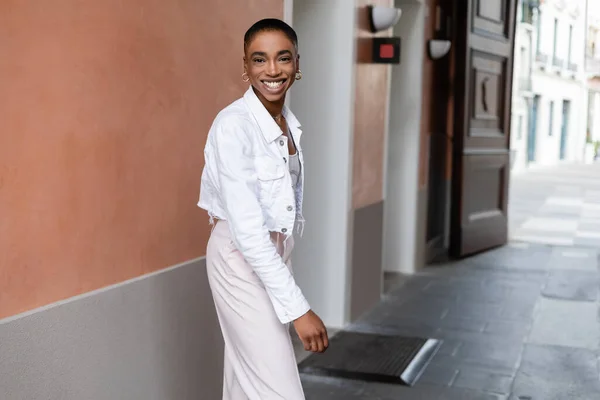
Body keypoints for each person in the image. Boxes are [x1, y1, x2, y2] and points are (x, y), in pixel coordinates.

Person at [198, 18, 329, 400]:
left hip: (271, 255)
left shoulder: (289, 124)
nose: (272, 71)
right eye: (260, 60)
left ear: (297, 63)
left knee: (246, 381)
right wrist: (299, 310)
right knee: (279, 389)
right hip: (239, 257)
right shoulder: (233, 126)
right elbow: (249, 232)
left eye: (282, 58)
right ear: (245, 66)